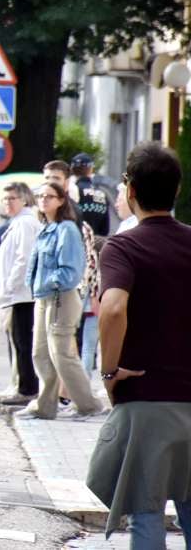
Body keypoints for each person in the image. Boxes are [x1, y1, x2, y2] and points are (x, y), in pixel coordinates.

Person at [86, 142, 191, 547]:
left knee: (146, 513)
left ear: (129, 192)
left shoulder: (124, 246)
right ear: (177, 190)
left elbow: (112, 309)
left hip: (147, 398)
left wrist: (110, 371)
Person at [17, 182, 103, 420]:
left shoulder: (67, 229)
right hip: (44, 297)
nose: (43, 200)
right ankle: (45, 406)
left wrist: (49, 283)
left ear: (61, 200)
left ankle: (90, 406)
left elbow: (71, 270)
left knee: (62, 354)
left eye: (49, 196)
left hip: (60, 298)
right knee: (40, 353)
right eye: (40, 195)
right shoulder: (47, 227)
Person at [0, 183, 42, 406]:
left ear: (24, 199)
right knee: (17, 341)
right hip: (16, 293)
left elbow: (24, 258)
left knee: (23, 342)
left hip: (22, 294)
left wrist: (10, 286)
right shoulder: (17, 223)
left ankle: (28, 389)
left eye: (12, 198)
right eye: (5, 199)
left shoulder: (25, 223)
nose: (8, 202)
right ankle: (21, 385)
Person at [70, 154, 110, 237]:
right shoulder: (102, 194)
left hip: (76, 240)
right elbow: (105, 229)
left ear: (72, 169)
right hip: (95, 243)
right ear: (91, 169)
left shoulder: (72, 190)